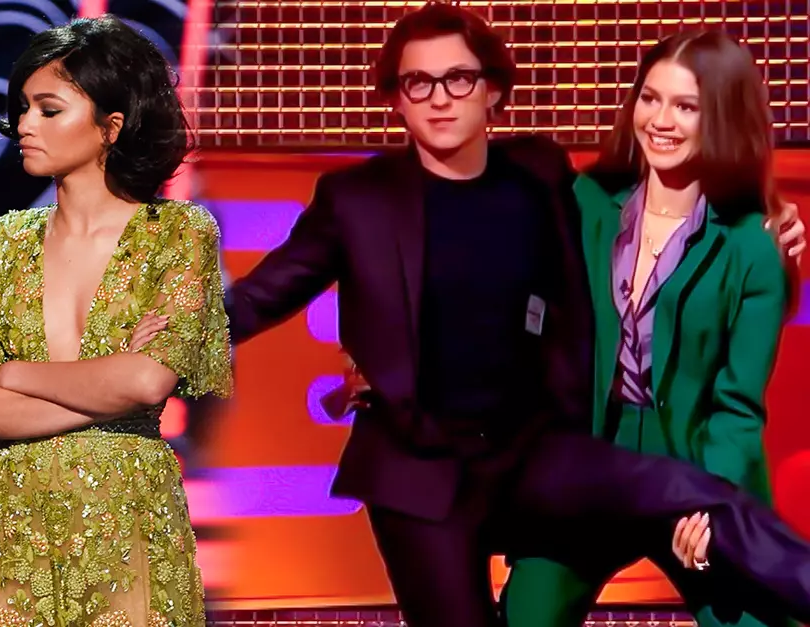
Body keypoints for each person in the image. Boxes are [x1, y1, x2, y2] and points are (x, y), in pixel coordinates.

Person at [223, 3, 810, 627]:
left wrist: (772, 230)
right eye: (417, 82)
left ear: (493, 91)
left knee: (703, 496)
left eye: (458, 79)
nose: (439, 98)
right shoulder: (357, 200)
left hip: (535, 456)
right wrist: (166, 343)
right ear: (396, 98)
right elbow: (259, 296)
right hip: (419, 475)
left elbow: (672, 201)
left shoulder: (541, 172)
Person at [0, 15, 232, 627]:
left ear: (110, 126)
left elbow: (148, 381)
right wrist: (109, 389)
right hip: (13, 526)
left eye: (48, 110)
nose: (24, 125)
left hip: (129, 517)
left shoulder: (177, 235)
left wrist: (14, 374)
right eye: (22, 109)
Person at [498, 30, 801, 627]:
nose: (660, 121)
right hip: (590, 462)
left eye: (686, 106)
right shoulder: (585, 201)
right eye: (650, 98)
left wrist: (712, 504)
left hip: (694, 471)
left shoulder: (752, 244)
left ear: (723, 117)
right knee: (526, 614)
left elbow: (738, 407)